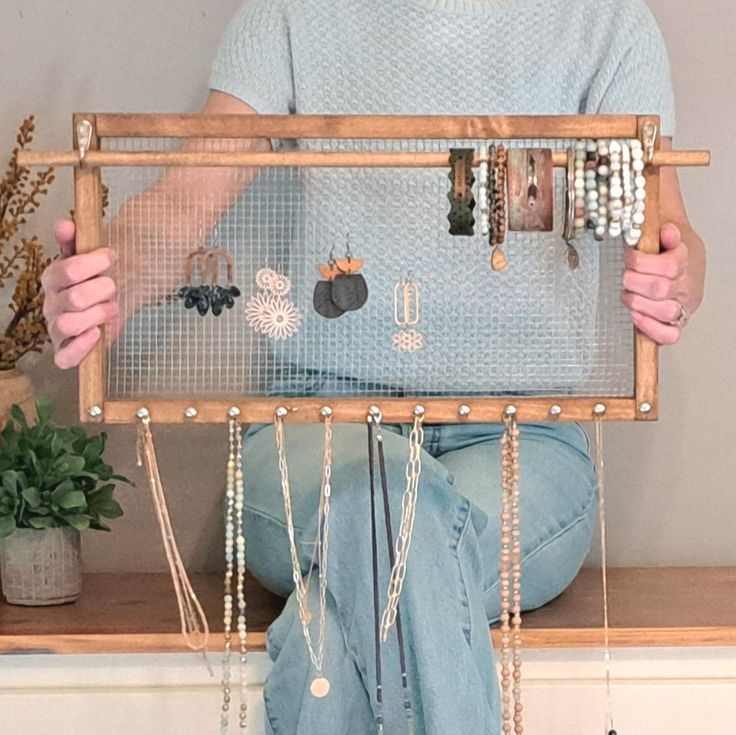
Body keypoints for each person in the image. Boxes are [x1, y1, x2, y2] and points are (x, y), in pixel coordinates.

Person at [42, 1, 705, 733]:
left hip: (528, 440)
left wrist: (675, 277)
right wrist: (108, 279)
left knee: (359, 576)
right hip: (319, 425)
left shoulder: (609, 23)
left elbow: (663, 224)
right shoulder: (291, 16)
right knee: (379, 498)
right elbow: (182, 205)